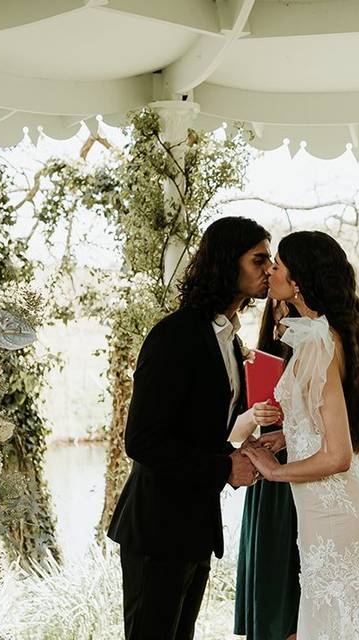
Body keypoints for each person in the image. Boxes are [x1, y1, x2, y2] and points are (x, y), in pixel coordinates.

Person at [106, 216, 272, 640]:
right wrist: (223, 469)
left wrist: (246, 448)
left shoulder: (231, 340)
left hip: (195, 527)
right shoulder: (174, 336)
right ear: (226, 263)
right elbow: (141, 440)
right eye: (259, 260)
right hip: (156, 529)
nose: (268, 269)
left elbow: (201, 428)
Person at [242, 230, 359, 639]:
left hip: (334, 507)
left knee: (339, 623)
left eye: (279, 265)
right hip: (331, 505)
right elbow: (324, 419)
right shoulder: (321, 334)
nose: (272, 271)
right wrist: (289, 437)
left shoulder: (320, 343)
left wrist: (273, 470)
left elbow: (338, 455)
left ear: (298, 280)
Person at [231, 299, 301, 640]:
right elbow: (232, 434)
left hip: (305, 476)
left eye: (289, 308)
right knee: (272, 590)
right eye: (275, 309)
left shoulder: (322, 353)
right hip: (268, 486)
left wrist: (289, 434)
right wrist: (251, 417)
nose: (282, 316)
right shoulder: (256, 360)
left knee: (300, 594)